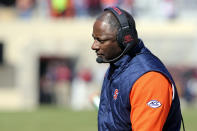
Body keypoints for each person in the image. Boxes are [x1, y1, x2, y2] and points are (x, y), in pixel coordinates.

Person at [91, 6, 184, 131]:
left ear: (124, 40)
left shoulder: (149, 79)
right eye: (94, 38)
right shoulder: (117, 67)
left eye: (100, 40)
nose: (94, 46)